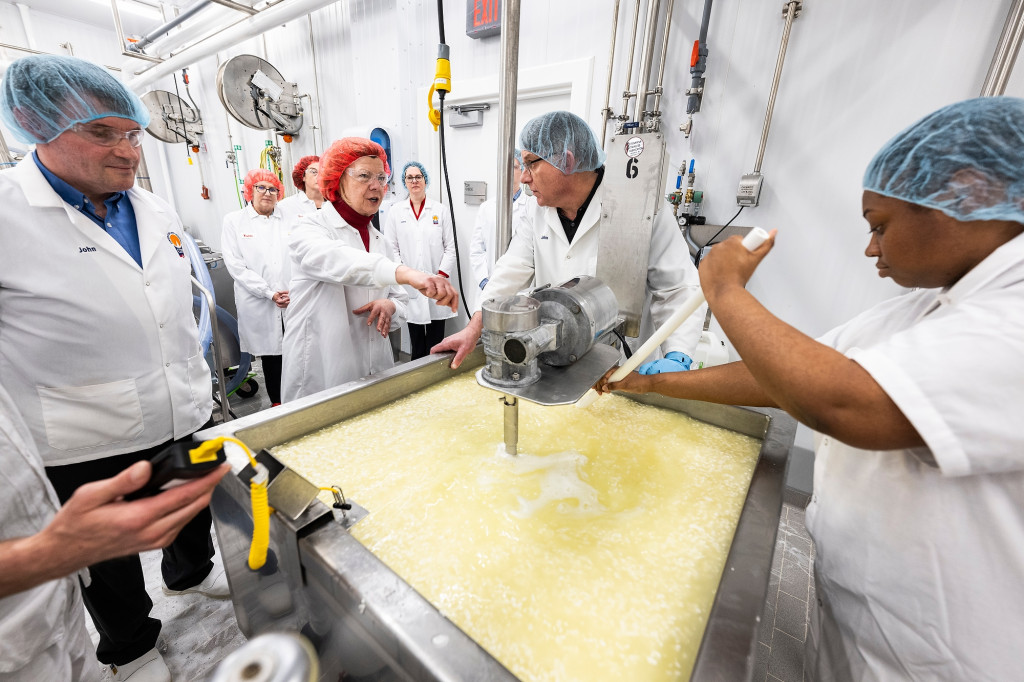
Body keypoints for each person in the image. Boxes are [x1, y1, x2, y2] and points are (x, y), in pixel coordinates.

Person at [597, 97, 1024, 680]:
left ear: (970, 195)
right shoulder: (925, 308)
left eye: (881, 226)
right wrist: (651, 384)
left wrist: (726, 292)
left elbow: (845, 400)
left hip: (952, 657)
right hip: (871, 627)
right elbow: (789, 376)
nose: (871, 248)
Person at [0, 55, 225, 681]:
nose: (129, 151)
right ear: (31, 123)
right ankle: (131, 646)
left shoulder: (151, 208)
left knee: (186, 509)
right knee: (107, 555)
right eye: (104, 133)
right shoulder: (6, 214)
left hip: (179, 406)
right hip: (81, 432)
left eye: (132, 133)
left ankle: (192, 575)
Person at [433, 111, 704, 373]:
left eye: (531, 163)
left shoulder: (641, 205)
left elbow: (678, 288)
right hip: (556, 361)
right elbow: (509, 272)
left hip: (622, 366)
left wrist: (677, 355)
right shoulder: (535, 210)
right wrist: (474, 328)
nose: (524, 177)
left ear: (567, 160)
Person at [0, 384, 229, 682]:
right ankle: (128, 644)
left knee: (187, 499)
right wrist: (58, 549)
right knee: (105, 542)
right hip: (77, 417)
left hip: (177, 393)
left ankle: (189, 573)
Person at [281, 138, 459, 402]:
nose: (376, 186)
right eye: (364, 176)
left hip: (375, 369)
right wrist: (407, 273)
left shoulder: (380, 242)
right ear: (337, 179)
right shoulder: (309, 229)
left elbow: (402, 302)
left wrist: (390, 306)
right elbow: (340, 261)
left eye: (381, 178)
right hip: (321, 374)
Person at [221, 169, 291, 406]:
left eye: (272, 189)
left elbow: (299, 256)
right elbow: (236, 266)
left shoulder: (288, 218)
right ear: (250, 191)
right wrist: (268, 292)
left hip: (292, 298)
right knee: (272, 355)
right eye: (260, 187)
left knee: (296, 351)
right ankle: (277, 404)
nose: (267, 193)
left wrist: (293, 289)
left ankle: (299, 400)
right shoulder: (234, 221)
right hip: (259, 300)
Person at [382, 161, 457, 359]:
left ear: (425, 180)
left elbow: (450, 247)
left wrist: (440, 276)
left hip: (437, 285)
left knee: (436, 342)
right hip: (410, 286)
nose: (414, 181)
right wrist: (407, 275)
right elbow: (391, 248)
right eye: (410, 177)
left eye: (418, 177)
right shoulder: (396, 212)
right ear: (404, 182)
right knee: (416, 344)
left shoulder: (440, 210)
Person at [469, 157, 528, 296]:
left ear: (523, 171)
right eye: (504, 167)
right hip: (489, 284)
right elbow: (476, 249)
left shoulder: (531, 207)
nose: (508, 171)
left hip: (520, 289)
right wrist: (484, 281)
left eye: (513, 167)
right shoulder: (486, 207)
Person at [277, 154, 323, 219]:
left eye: (322, 172)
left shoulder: (336, 203)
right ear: (303, 176)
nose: (319, 176)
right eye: (313, 171)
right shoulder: (286, 206)